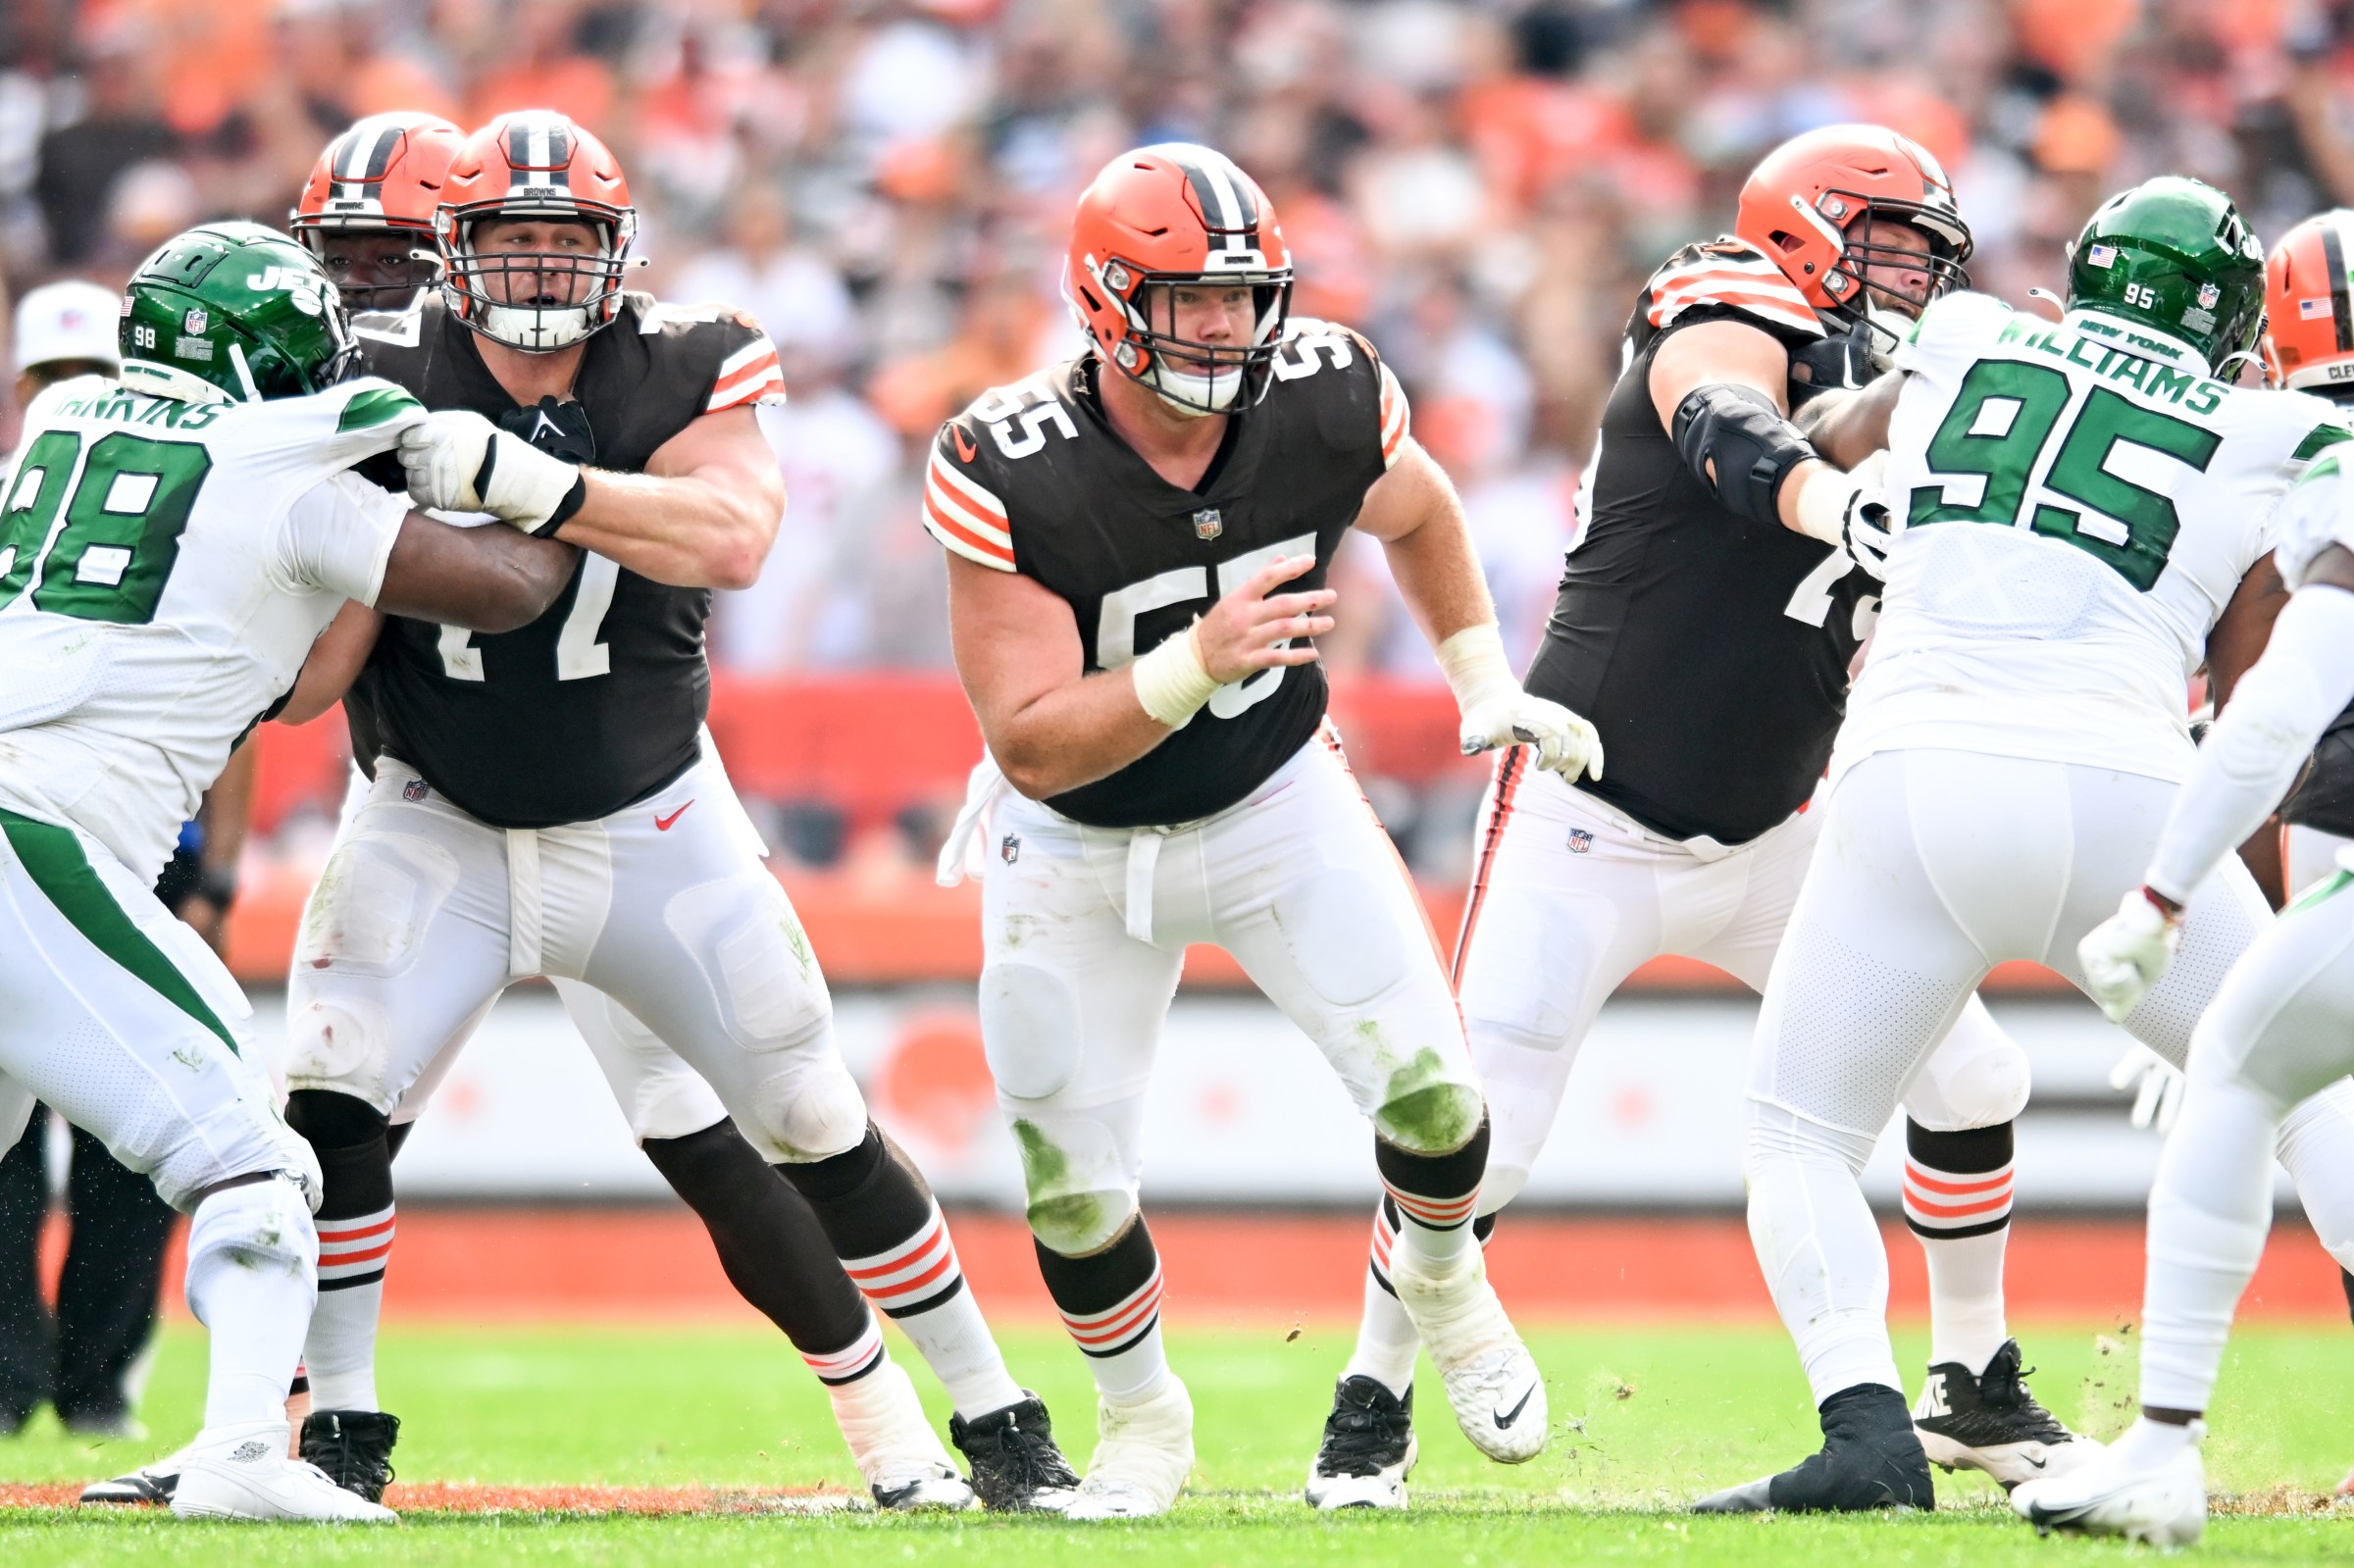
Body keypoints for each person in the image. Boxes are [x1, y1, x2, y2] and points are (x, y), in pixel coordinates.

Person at [275, 112, 1075, 1512]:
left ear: (617, 250)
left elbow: (737, 536)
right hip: (430, 809)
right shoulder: (381, 369)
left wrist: (536, 486)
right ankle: (339, 1430)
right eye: (506, 239)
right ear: (449, 255)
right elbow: (317, 673)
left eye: (561, 240)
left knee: (808, 1115)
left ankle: (991, 1420)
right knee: (329, 1095)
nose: (534, 269)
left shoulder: (688, 357)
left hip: (646, 814)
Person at [1316, 125, 2069, 1511]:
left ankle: (1973, 1384)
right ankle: (1369, 1399)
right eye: (1888, 244)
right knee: (1485, 1142)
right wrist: (1842, 504)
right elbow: (1730, 422)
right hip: (1589, 812)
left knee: (1974, 1082)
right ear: (1802, 231)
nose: (1909, 274)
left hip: (1780, 833)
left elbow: (1866, 424)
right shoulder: (1724, 302)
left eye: (1926, 254)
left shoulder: (1878, 377)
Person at [928, 142, 1593, 1519]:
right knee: (1068, 1188)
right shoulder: (1009, 457)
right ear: (1109, 302)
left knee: (1437, 1105)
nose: (1226, 326)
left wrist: (1480, 675)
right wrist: (1198, 662)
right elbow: (1031, 737)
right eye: (1190, 298)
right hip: (1070, 840)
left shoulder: (1329, 395)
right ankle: (1143, 1421)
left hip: (1273, 796)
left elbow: (1418, 511)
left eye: (1242, 295)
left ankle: (1451, 1286)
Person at [1714, 176, 2354, 1514]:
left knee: (1799, 1132)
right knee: (2311, 1098)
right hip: (2127, 789)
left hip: (1913, 776)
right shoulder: (2270, 423)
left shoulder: (1965, 335)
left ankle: (1868, 1437)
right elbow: (2251, 689)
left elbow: (1830, 433)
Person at [0, 220, 581, 1520]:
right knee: (253, 1155)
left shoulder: (65, 420)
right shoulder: (283, 469)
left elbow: (292, 679)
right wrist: (562, 485)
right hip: (34, 838)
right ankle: (246, 1453)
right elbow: (505, 587)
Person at [2011, 212, 2354, 1544]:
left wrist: (2161, 896)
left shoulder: (2325, 467)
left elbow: (2278, 713)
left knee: (2237, 1069)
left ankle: (2160, 1450)